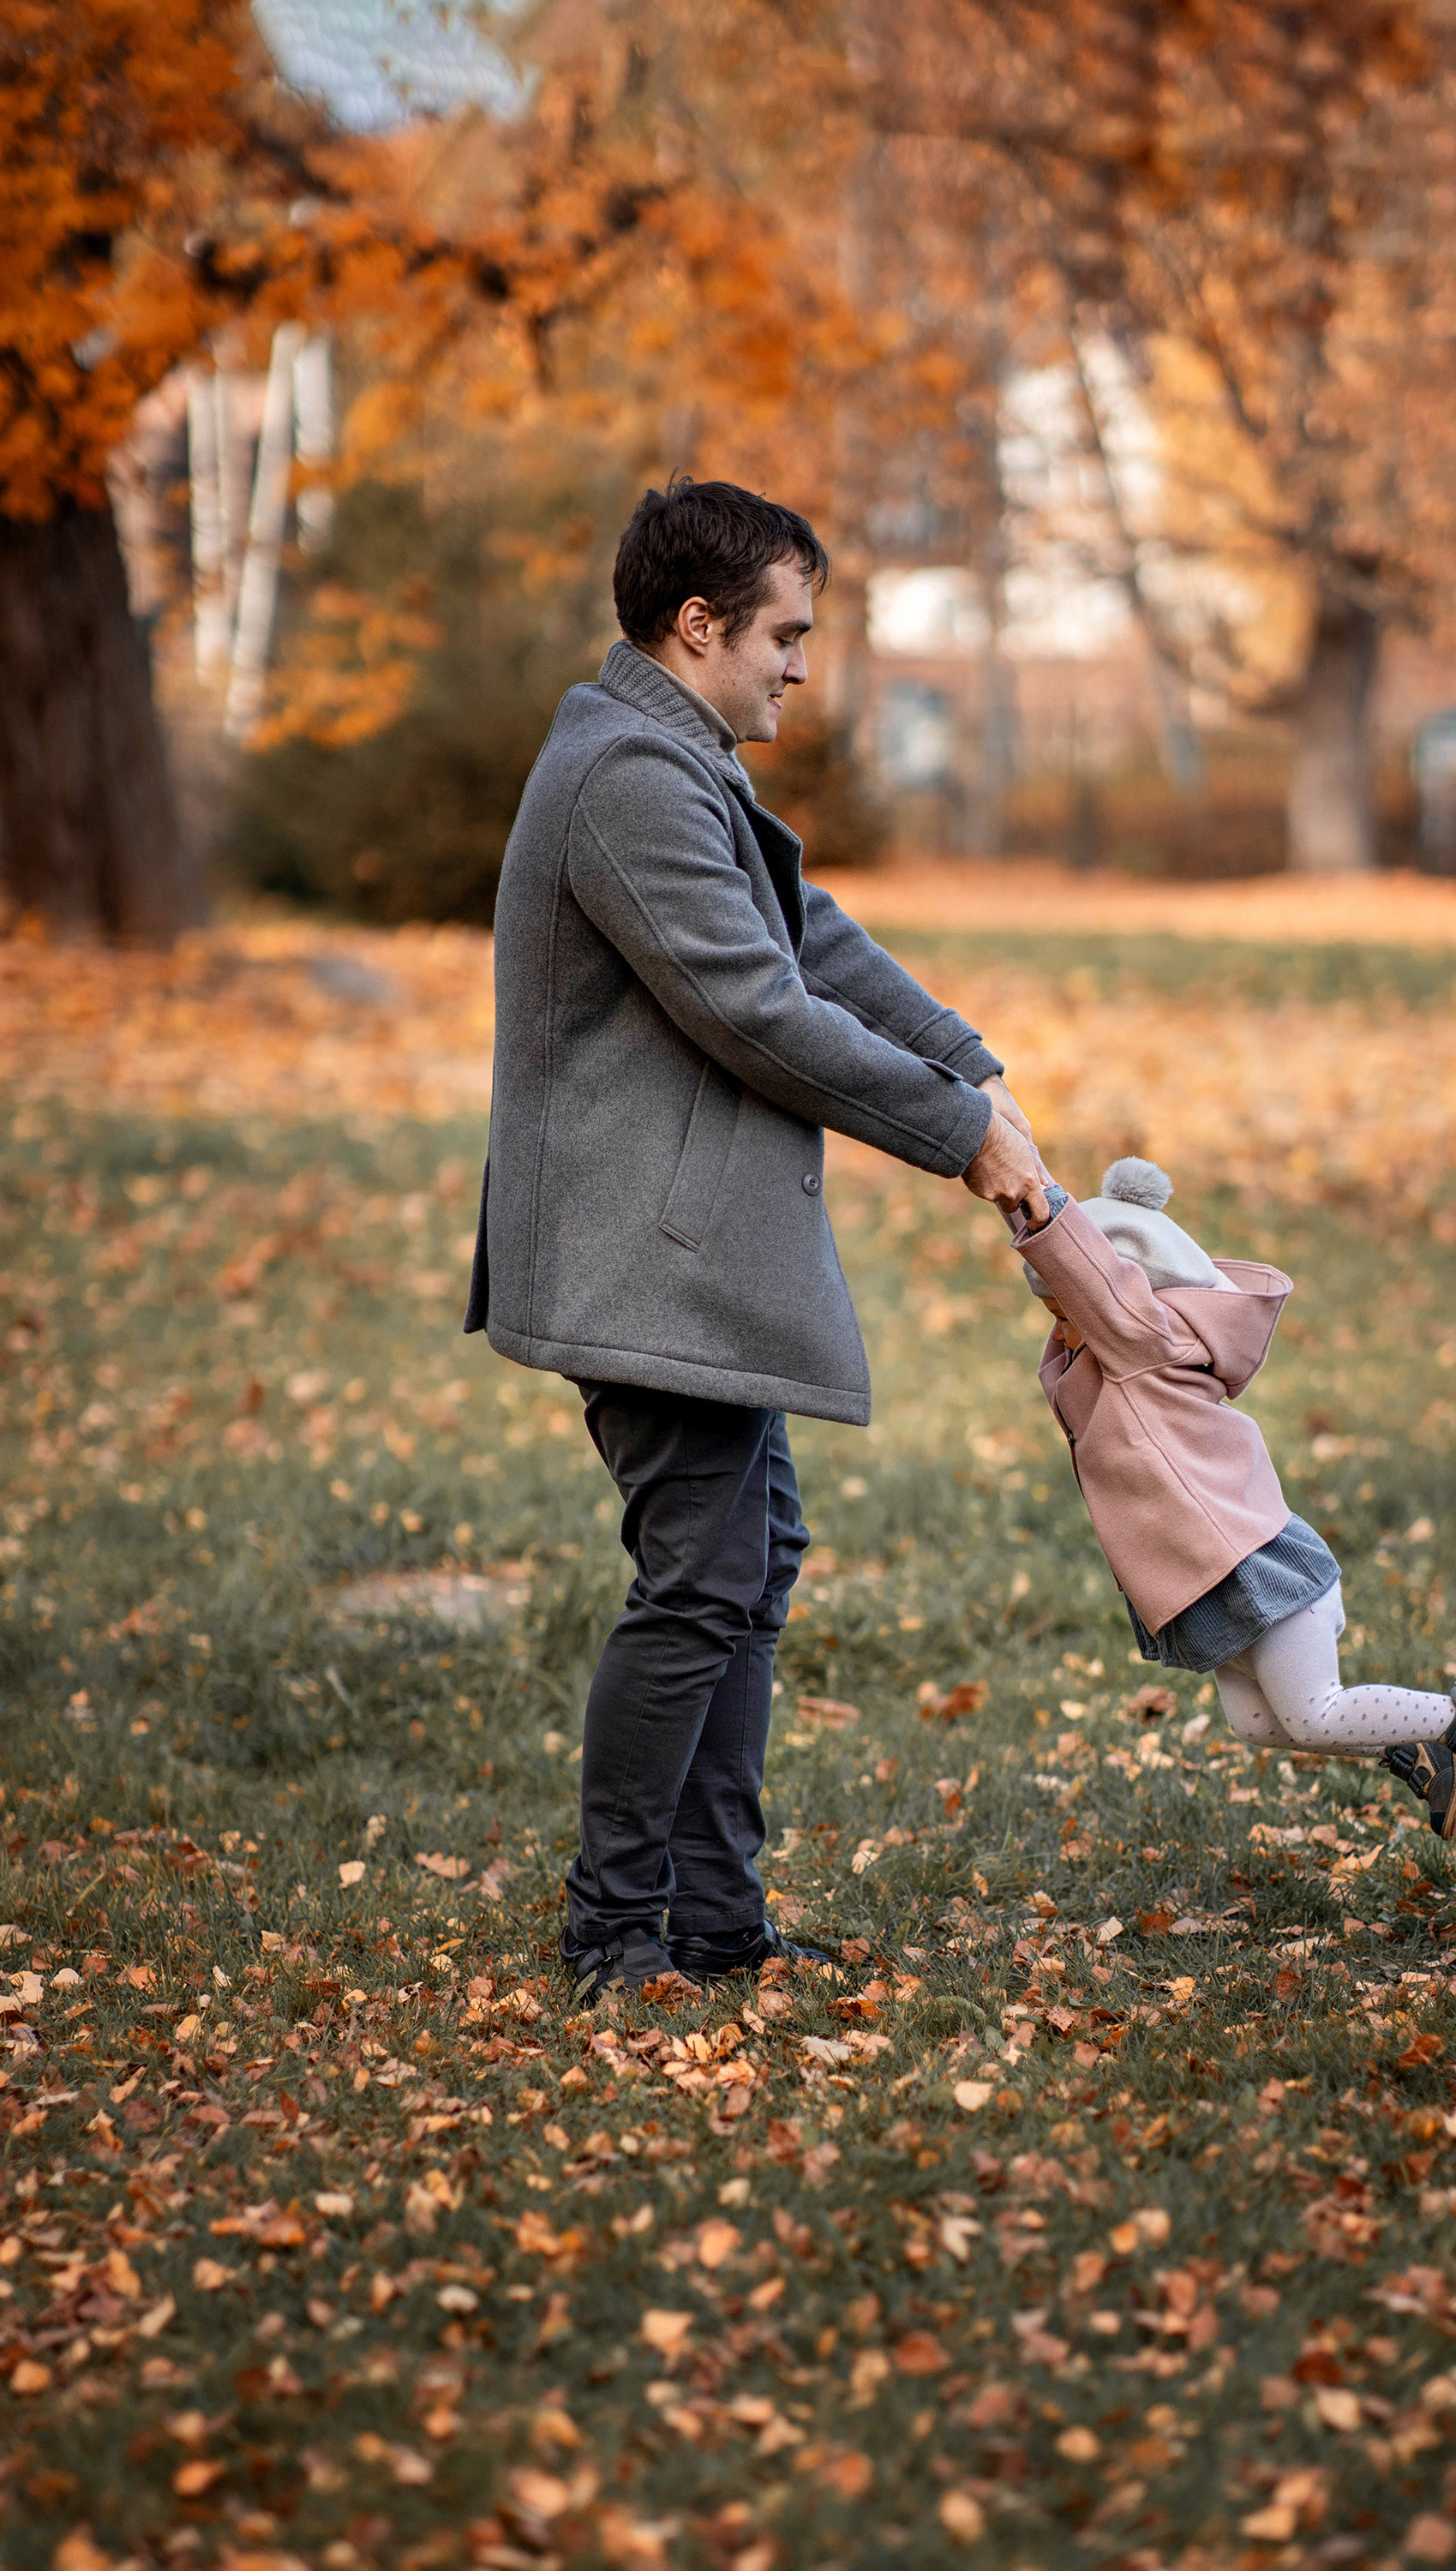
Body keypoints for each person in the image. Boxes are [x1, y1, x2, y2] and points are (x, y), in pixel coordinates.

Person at [464, 475, 1046, 2005]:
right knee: (703, 1576)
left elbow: (809, 932)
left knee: (745, 1556)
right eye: (783, 634)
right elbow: (751, 1009)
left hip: (683, 1249)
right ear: (698, 622)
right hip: (640, 1256)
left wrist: (964, 1065)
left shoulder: (671, 751)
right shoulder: (631, 780)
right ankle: (616, 1932)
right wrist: (956, 1137)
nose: (801, 662)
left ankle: (717, 1922)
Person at [1012, 1158, 1456, 1841]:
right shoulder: (1118, 1358)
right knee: (1257, 1723)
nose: (1061, 1326)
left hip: (1253, 1565)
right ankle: (1416, 1750)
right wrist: (1015, 1194)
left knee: (1314, 1712)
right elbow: (1090, 1294)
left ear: (1129, 1294)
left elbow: (1098, 1286)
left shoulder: (1146, 1345)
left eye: (1065, 1309)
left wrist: (1032, 1198)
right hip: (1210, 1578)